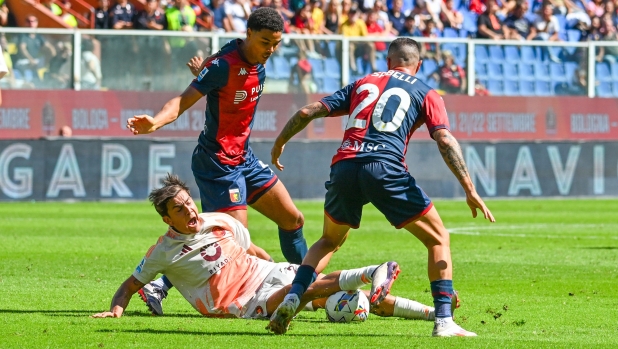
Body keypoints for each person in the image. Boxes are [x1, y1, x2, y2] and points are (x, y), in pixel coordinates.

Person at [267, 37, 495, 337]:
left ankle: (294, 297)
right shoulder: (426, 92)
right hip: (385, 168)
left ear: (388, 62)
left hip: (345, 167)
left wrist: (279, 143)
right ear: (419, 65)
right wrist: (469, 187)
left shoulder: (363, 82)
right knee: (438, 238)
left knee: (328, 241)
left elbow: (308, 111)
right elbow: (444, 139)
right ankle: (443, 321)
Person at [126, 7, 308, 316]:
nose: (271, 50)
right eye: (265, 42)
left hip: (245, 158)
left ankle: (303, 285)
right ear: (248, 33)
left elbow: (211, 70)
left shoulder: (236, 59)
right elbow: (183, 100)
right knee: (236, 244)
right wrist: (156, 121)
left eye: (276, 43)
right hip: (218, 163)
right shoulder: (225, 64)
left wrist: (204, 70)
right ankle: (158, 285)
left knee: (293, 220)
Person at [91, 174, 438, 323]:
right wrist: (116, 310)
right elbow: (129, 286)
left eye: (189, 202)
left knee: (308, 287)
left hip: (265, 274)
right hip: (237, 301)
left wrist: (274, 266)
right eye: (179, 210)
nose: (190, 211)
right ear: (168, 219)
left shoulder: (219, 221)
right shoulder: (162, 252)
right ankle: (366, 275)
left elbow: (255, 251)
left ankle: (431, 312)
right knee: (311, 294)